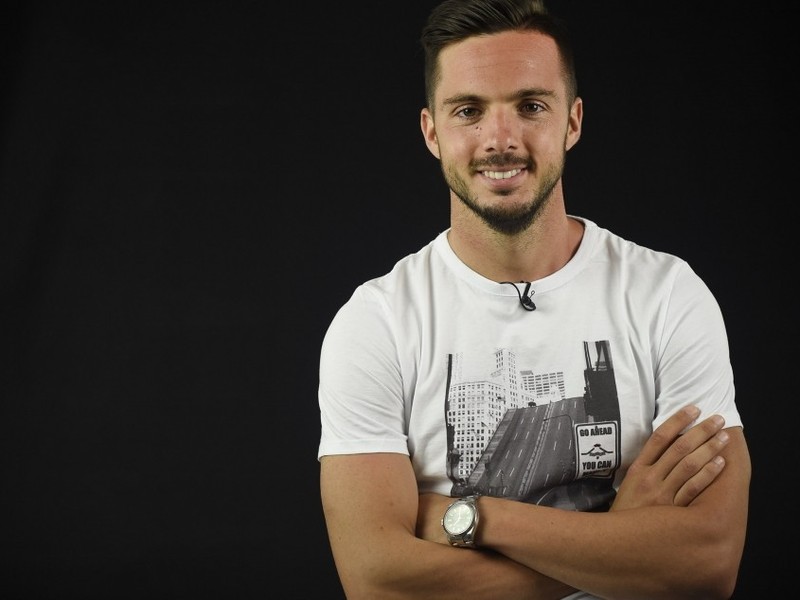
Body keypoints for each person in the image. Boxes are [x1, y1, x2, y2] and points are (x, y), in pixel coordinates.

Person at [317, 0, 751, 598]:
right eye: (468, 111)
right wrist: (619, 536)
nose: (500, 139)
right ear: (432, 132)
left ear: (572, 121)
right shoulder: (377, 323)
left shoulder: (667, 296)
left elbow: (708, 562)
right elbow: (377, 583)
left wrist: (472, 517)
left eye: (530, 106)